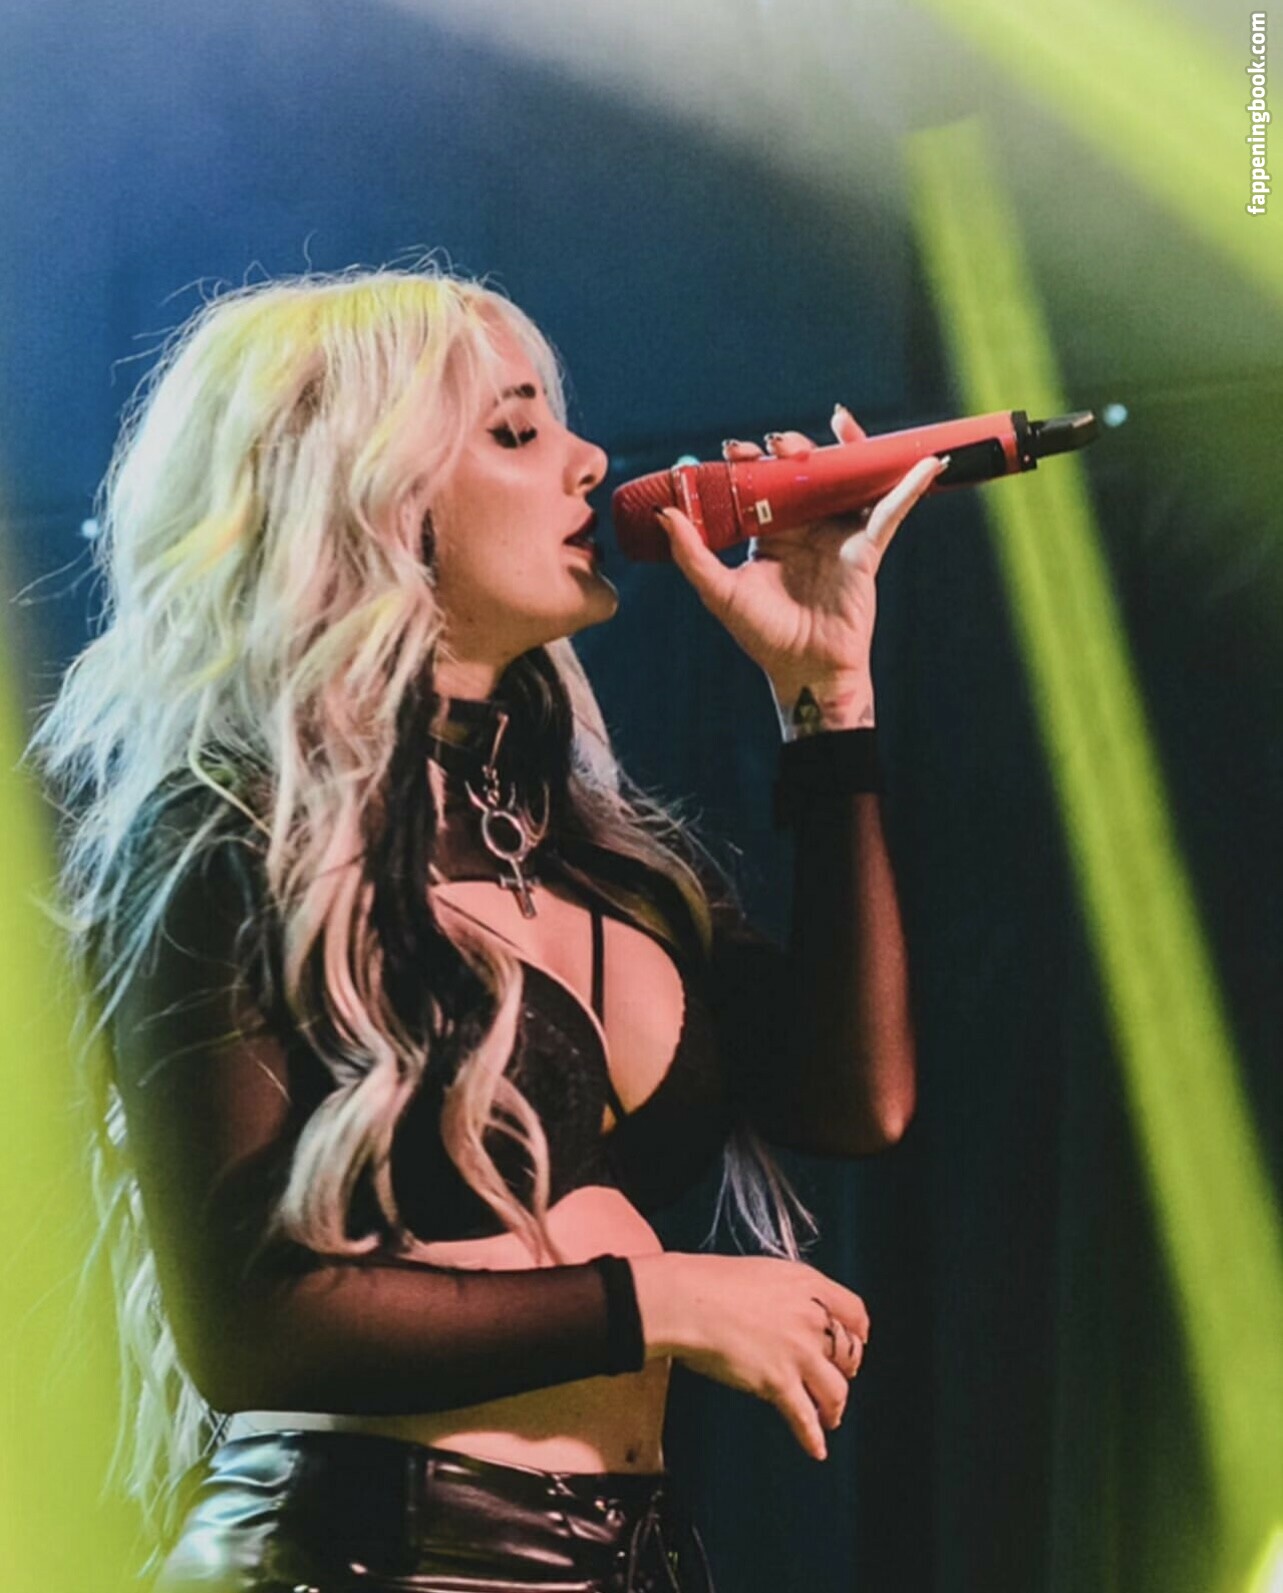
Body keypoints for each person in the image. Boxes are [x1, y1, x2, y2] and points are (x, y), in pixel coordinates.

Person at [31, 265, 940, 1592]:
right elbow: (249, 1322)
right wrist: (664, 1301)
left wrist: (829, 702)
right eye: (516, 431)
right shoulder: (232, 833)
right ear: (372, 500)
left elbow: (855, 1100)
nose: (590, 461)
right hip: (361, 1552)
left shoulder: (596, 858)